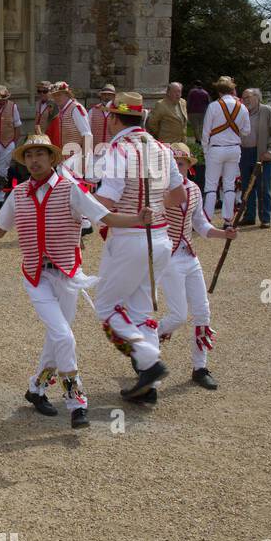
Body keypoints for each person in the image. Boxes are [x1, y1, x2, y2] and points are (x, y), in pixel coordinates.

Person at [0, 134, 153, 428]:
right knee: (64, 336)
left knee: (56, 337)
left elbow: (106, 217)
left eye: (40, 154)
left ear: (52, 159)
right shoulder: (19, 193)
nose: (34, 160)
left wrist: (137, 220)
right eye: (29, 155)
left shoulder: (71, 189)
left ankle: (36, 388)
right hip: (36, 275)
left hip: (68, 274)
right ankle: (76, 401)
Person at [92, 90, 178, 402]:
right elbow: (178, 195)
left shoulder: (118, 151)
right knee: (141, 309)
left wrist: (82, 204)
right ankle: (148, 384)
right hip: (160, 238)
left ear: (115, 118)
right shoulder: (163, 149)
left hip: (130, 239)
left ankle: (149, 361)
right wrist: (152, 207)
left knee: (106, 306)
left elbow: (106, 201)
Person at [157, 143, 236, 391]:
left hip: (190, 256)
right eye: (174, 164)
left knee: (203, 312)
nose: (178, 169)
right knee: (178, 316)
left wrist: (224, 233)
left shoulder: (193, 190)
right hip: (168, 258)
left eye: (182, 164)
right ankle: (146, 348)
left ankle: (200, 367)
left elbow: (200, 225)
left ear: (189, 167)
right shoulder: (159, 191)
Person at [200, 75, 250, 225]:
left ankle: (207, 220)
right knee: (230, 185)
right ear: (232, 90)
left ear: (219, 91)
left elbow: (205, 132)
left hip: (216, 149)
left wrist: (205, 150)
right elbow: (246, 131)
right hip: (234, 149)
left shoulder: (214, 106)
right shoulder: (242, 107)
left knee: (211, 185)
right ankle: (228, 220)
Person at [238, 88, 271, 228]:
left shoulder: (267, 111)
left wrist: (270, 150)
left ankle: (265, 218)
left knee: (263, 187)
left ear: (257, 97)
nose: (245, 100)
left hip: (262, 154)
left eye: (248, 97)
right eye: (243, 98)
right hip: (245, 153)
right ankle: (249, 216)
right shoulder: (242, 112)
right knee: (246, 187)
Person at [44, 81, 93, 179]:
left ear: (67, 94)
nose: (57, 98)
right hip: (66, 158)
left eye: (59, 94)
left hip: (76, 158)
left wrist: (84, 161)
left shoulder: (76, 108)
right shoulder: (63, 110)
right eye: (55, 95)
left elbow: (87, 135)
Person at [87, 85, 117, 169]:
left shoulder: (118, 112)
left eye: (109, 95)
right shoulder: (93, 111)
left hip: (112, 152)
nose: (107, 97)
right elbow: (87, 131)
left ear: (114, 96)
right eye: (104, 94)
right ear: (101, 95)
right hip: (96, 152)